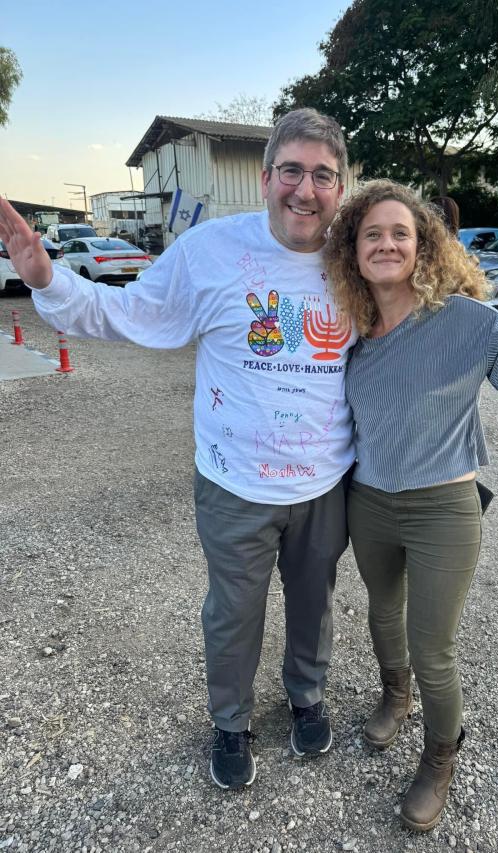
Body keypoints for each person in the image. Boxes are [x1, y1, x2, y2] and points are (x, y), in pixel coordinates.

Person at [0, 108, 357, 791]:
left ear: (341, 186)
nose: (304, 190)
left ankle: (307, 693)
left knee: (315, 600)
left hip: (324, 481)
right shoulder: (211, 252)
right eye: (291, 171)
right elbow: (129, 313)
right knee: (233, 610)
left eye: (322, 175)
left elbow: (418, 314)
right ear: (264, 178)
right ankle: (230, 719)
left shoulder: (355, 256)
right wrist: (48, 279)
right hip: (234, 482)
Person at [324, 179, 498, 831]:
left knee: (431, 645)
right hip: (370, 500)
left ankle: (440, 758)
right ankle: (395, 695)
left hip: (444, 507)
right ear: (353, 251)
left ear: (424, 245)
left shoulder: (464, 320)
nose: (386, 244)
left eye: (400, 233)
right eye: (372, 234)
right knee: (383, 613)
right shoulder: (347, 330)